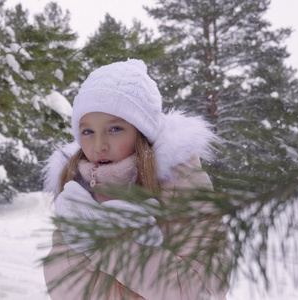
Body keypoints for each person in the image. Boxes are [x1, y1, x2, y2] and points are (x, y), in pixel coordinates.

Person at [42, 59, 231, 299]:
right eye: (88, 131)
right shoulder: (76, 190)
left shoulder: (182, 182)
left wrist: (106, 242)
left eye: (115, 129)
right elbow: (63, 286)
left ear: (142, 132)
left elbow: (204, 286)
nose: (99, 145)